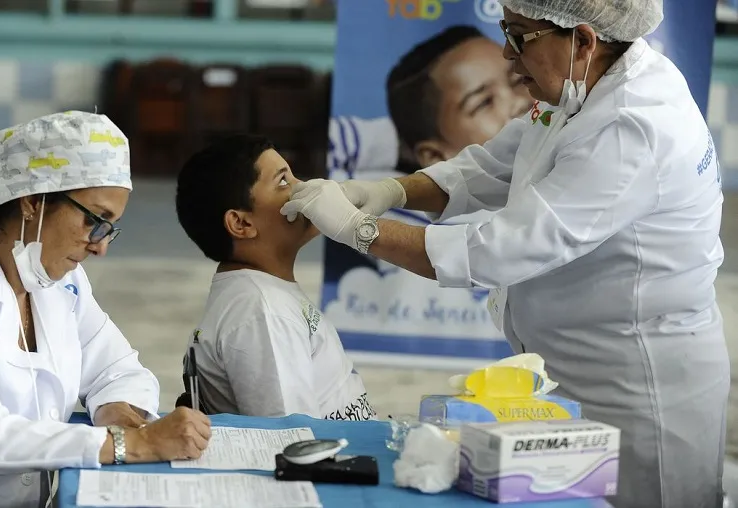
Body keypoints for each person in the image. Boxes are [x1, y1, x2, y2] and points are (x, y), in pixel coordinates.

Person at [281, 1, 728, 507]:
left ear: (582, 38)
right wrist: (393, 191)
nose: (507, 55)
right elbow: (495, 165)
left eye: (520, 36)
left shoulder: (631, 127)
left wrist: (360, 230)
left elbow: (498, 251)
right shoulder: (582, 85)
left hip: (641, 384)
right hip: (575, 368)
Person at [0, 111, 212, 508]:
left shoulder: (57, 281)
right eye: (96, 220)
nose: (101, 245)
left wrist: (114, 409)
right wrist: (129, 444)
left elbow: (118, 368)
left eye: (111, 227)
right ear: (32, 202)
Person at [175, 134, 376, 421]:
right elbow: (292, 441)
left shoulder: (263, 293)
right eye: (283, 181)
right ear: (241, 223)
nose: (305, 188)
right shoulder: (263, 312)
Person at [329, 25, 533, 180]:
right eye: (484, 102)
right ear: (435, 156)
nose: (518, 102)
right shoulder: (424, 228)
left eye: (518, 80)